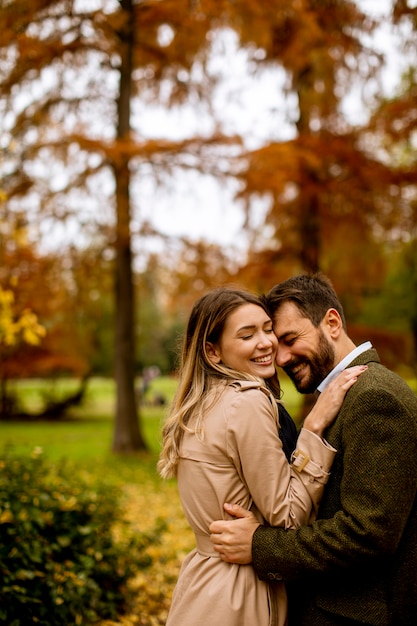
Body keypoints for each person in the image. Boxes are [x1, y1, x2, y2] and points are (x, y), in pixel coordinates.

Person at [209, 274, 417, 626]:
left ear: (332, 323)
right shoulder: (345, 394)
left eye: (290, 340)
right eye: (279, 346)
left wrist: (260, 545)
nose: (283, 357)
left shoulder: (374, 397)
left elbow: (368, 535)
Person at [158, 286, 366, 626]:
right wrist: (312, 430)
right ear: (213, 352)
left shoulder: (199, 404)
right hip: (240, 594)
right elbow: (287, 516)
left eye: (267, 328)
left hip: (201, 585)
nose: (267, 342)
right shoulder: (247, 402)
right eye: (247, 335)